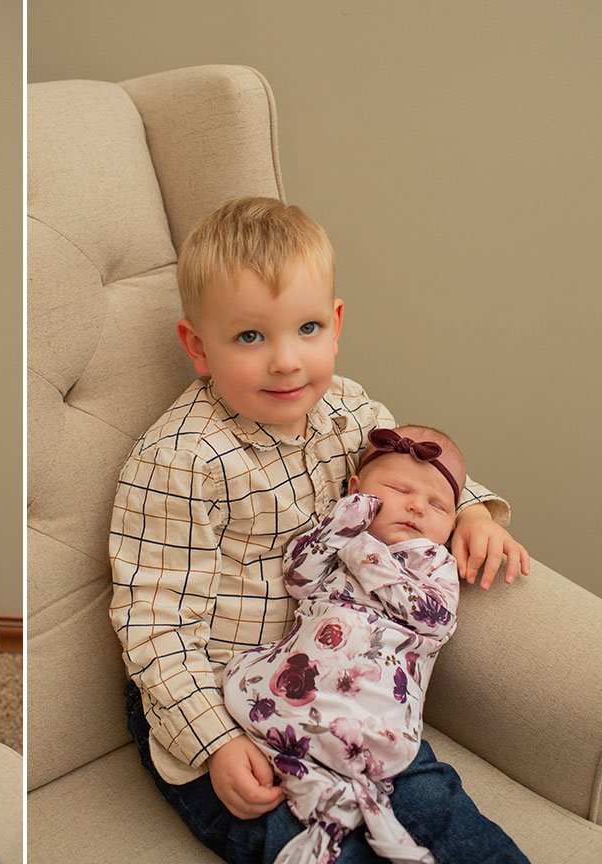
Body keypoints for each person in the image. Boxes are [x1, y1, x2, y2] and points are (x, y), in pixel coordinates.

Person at [109, 197, 530, 864]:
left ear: (335, 326)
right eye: (250, 337)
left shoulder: (347, 410)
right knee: (313, 843)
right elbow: (154, 625)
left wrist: (473, 510)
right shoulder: (180, 460)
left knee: (431, 806)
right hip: (233, 700)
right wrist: (215, 743)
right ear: (198, 346)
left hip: (346, 683)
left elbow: (415, 469)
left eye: (306, 328)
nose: (286, 362)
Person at [223, 425, 468, 864]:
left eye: (437, 506)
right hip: (304, 682)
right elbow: (298, 577)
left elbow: (435, 621)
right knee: (246, 688)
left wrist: (366, 556)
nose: (416, 506)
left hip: (371, 707)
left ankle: (340, 789)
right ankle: (323, 790)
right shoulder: (338, 539)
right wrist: (344, 522)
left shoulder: (434, 562)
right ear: (357, 491)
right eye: (398, 489)